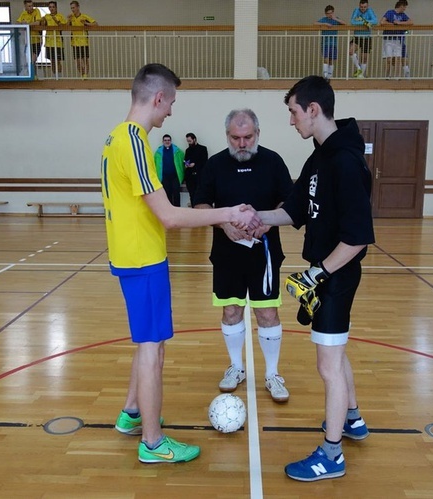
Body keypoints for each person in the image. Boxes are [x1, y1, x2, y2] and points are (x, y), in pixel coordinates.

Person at [102, 63, 260, 464]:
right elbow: (170, 215)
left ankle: (132, 414)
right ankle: (153, 444)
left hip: (131, 256)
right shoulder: (134, 142)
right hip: (142, 261)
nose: (170, 111)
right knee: (153, 349)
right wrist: (226, 213)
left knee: (146, 343)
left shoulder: (114, 138)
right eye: (170, 102)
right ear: (157, 98)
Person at [253, 75, 373, 481]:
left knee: (328, 365)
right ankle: (352, 418)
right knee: (335, 353)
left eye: (292, 112)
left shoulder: (345, 161)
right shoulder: (319, 157)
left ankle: (332, 454)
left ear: (313, 110)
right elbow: (294, 210)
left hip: (336, 275)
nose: (291, 121)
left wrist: (316, 274)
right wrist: (254, 219)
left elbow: (357, 239)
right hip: (325, 275)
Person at [194, 109, 294, 403]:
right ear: (227, 136)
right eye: (235, 137)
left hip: (264, 252)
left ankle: (273, 374)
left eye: (247, 137)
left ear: (257, 134)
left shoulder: (273, 161)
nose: (241, 143)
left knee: (267, 313)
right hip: (226, 253)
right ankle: (236, 368)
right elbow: (199, 205)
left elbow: (290, 200)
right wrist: (223, 223)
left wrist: (268, 221)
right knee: (231, 310)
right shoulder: (214, 165)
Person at [380, 1, 413, 78]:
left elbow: (411, 22)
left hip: (398, 40)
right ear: (401, 6)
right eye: (404, 7)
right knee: (389, 59)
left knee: (398, 59)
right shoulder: (390, 12)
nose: (405, 9)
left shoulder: (403, 15)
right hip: (388, 39)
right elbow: (382, 22)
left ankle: (396, 77)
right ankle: (387, 77)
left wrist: (400, 23)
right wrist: (393, 24)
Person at [314, 5, 347, 81]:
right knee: (326, 58)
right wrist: (324, 24)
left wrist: (335, 19)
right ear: (326, 14)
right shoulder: (324, 19)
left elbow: (345, 23)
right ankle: (325, 76)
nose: (330, 15)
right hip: (325, 43)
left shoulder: (335, 19)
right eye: (328, 13)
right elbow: (314, 23)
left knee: (331, 60)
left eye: (331, 13)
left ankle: (329, 76)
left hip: (333, 43)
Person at [153, 134, 185, 207]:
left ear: (171, 141)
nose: (167, 142)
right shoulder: (158, 152)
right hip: (164, 177)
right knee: (167, 194)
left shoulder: (178, 151)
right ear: (163, 141)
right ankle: (169, 210)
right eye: (165, 140)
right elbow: (154, 165)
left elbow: (183, 162)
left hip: (175, 176)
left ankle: (177, 210)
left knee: (176, 193)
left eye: (168, 140)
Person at [349, 1, 378, 78]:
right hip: (357, 37)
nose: (363, 9)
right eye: (361, 7)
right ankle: (359, 69)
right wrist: (365, 23)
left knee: (364, 58)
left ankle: (361, 75)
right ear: (359, 6)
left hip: (367, 37)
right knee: (351, 51)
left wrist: (362, 20)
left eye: (365, 7)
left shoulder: (370, 11)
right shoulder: (356, 10)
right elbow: (352, 21)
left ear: (367, 6)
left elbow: (375, 21)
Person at [67, 1, 97, 78]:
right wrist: (69, 20)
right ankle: (82, 74)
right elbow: (66, 27)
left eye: (73, 7)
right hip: (74, 42)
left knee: (85, 59)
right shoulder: (71, 17)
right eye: (71, 8)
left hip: (84, 41)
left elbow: (95, 24)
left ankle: (85, 75)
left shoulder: (84, 16)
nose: (72, 9)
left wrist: (86, 24)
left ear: (78, 7)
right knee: (77, 61)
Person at [41, 1, 66, 76]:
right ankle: (55, 77)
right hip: (49, 42)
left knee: (58, 60)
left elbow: (63, 26)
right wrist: (42, 20)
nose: (51, 9)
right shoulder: (46, 16)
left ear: (56, 8)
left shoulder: (60, 16)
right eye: (50, 7)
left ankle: (60, 77)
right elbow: (43, 25)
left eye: (53, 7)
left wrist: (57, 21)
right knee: (52, 61)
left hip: (58, 42)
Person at [16, 0, 43, 72]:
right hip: (27, 40)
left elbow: (37, 22)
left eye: (32, 5)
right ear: (25, 6)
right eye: (29, 6)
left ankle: (34, 75)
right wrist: (22, 23)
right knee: (30, 60)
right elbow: (18, 23)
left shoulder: (36, 11)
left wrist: (27, 24)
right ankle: (33, 76)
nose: (31, 7)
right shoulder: (23, 14)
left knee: (33, 59)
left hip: (36, 40)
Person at [183, 132, 208, 207]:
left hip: (199, 176)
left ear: (194, 139)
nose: (189, 143)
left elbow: (204, 161)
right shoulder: (188, 150)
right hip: (190, 176)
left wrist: (195, 164)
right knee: (191, 194)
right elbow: (186, 160)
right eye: (188, 141)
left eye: (190, 141)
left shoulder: (203, 149)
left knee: (199, 194)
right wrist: (186, 164)